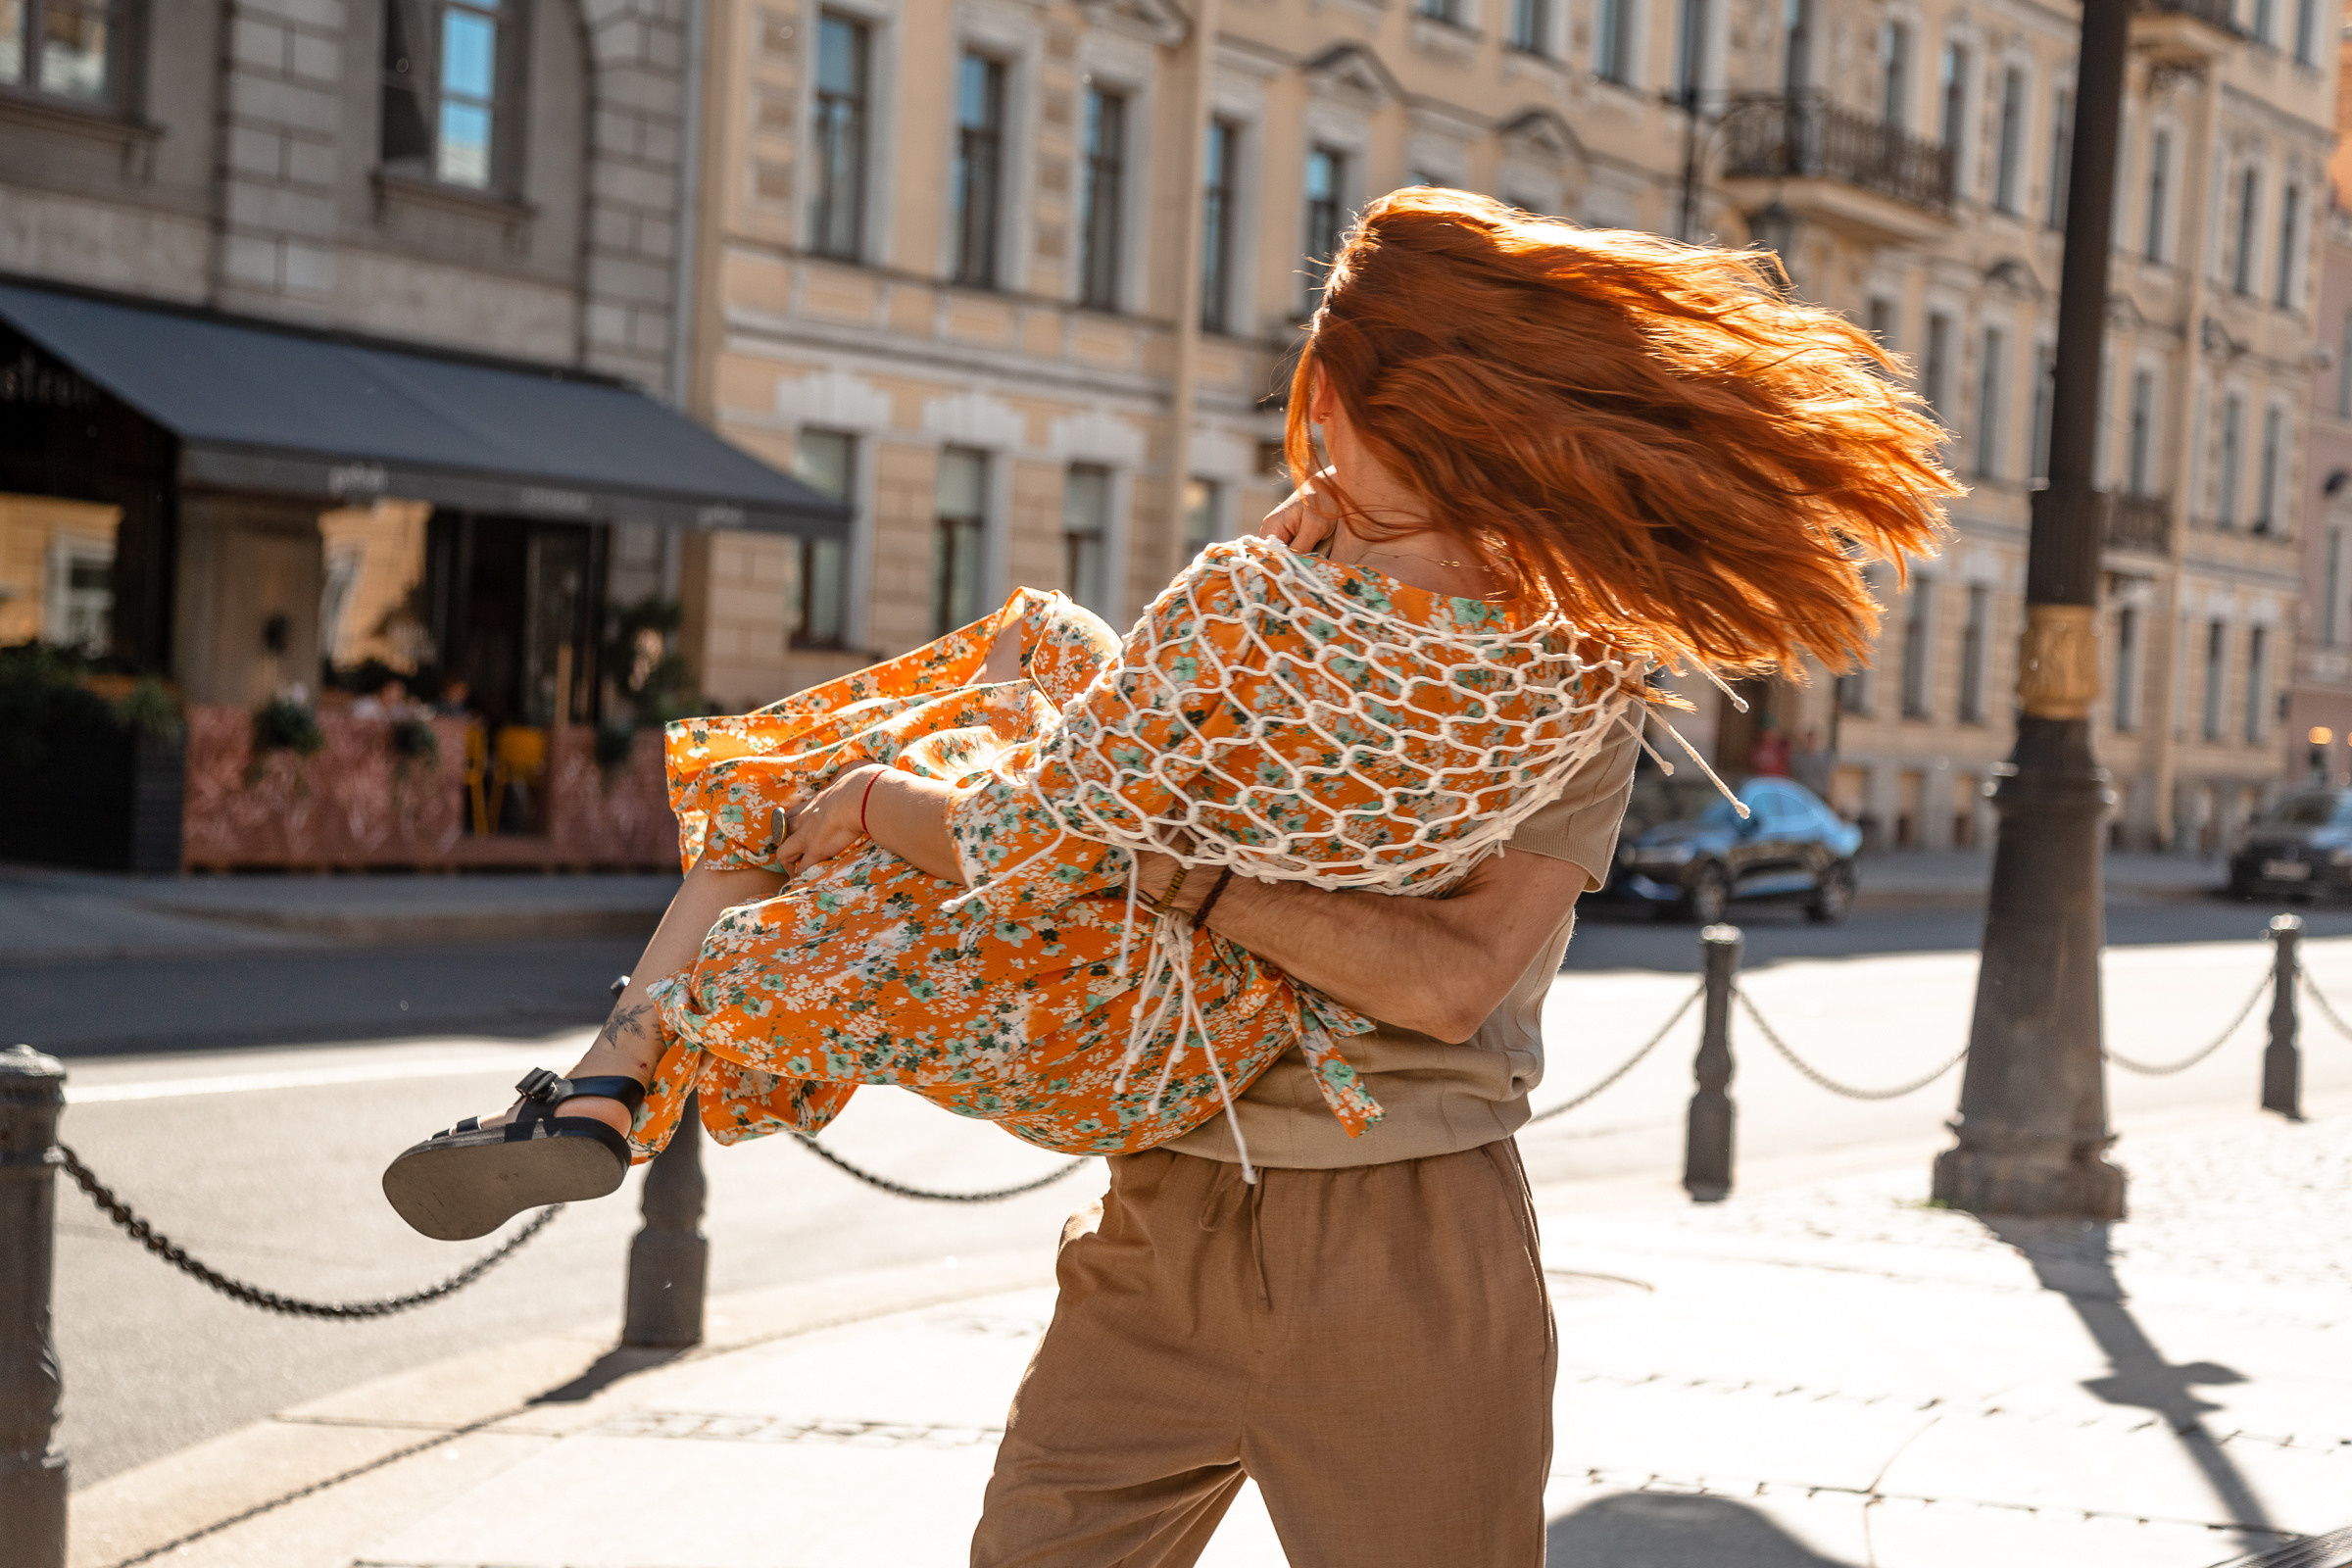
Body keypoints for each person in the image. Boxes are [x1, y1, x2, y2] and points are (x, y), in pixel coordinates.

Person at [385, 189, 1954, 1562]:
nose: (1312, 460)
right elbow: (1115, 783)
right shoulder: (1301, 606)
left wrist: (1171, 879)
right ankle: (633, 1058)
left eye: (1328, 427)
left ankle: (626, 1065)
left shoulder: (1581, 694)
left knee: (889, 781)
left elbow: (1453, 978)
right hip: (1169, 1209)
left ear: (1411, 420)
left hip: (1401, 1242)